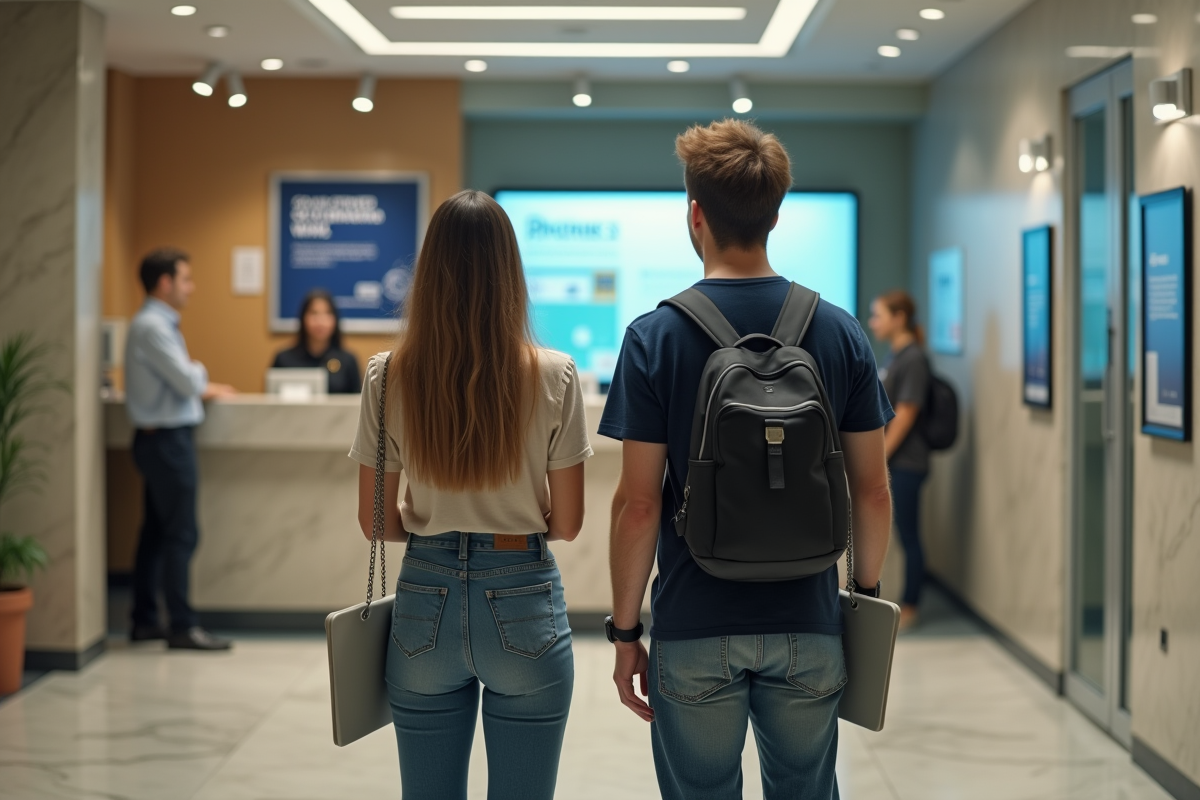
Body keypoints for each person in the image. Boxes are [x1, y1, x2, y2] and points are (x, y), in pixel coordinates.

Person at [599, 119, 894, 800]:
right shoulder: (839, 330)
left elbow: (639, 504)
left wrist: (624, 632)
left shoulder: (653, 336)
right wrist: (863, 602)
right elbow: (872, 491)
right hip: (810, 621)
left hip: (694, 623)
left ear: (694, 215)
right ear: (777, 214)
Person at [348, 190, 592, 800]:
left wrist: (430, 522)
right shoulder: (554, 373)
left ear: (429, 272)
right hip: (523, 601)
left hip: (423, 601)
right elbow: (567, 523)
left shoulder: (388, 373)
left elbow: (376, 520)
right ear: (511, 272)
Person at [124, 247, 236, 651]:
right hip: (167, 443)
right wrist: (200, 371)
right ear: (165, 282)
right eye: (186, 279)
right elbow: (187, 381)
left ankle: (145, 621)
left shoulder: (155, 324)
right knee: (181, 534)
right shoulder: (153, 326)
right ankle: (182, 627)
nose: (192, 287)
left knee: (156, 533)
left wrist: (195, 378)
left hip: (160, 441)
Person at [868, 290, 931, 630]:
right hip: (895, 461)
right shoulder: (895, 356)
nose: (872, 322)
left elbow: (906, 414)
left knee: (909, 534)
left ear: (899, 318)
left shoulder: (913, 359)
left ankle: (911, 605)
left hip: (907, 463)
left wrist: (879, 456)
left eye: (878, 315)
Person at [271, 288, 361, 394]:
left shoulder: (348, 361)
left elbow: (357, 403)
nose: (320, 321)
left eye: (327, 313)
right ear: (303, 318)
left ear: (335, 320)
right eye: (314, 313)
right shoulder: (284, 359)